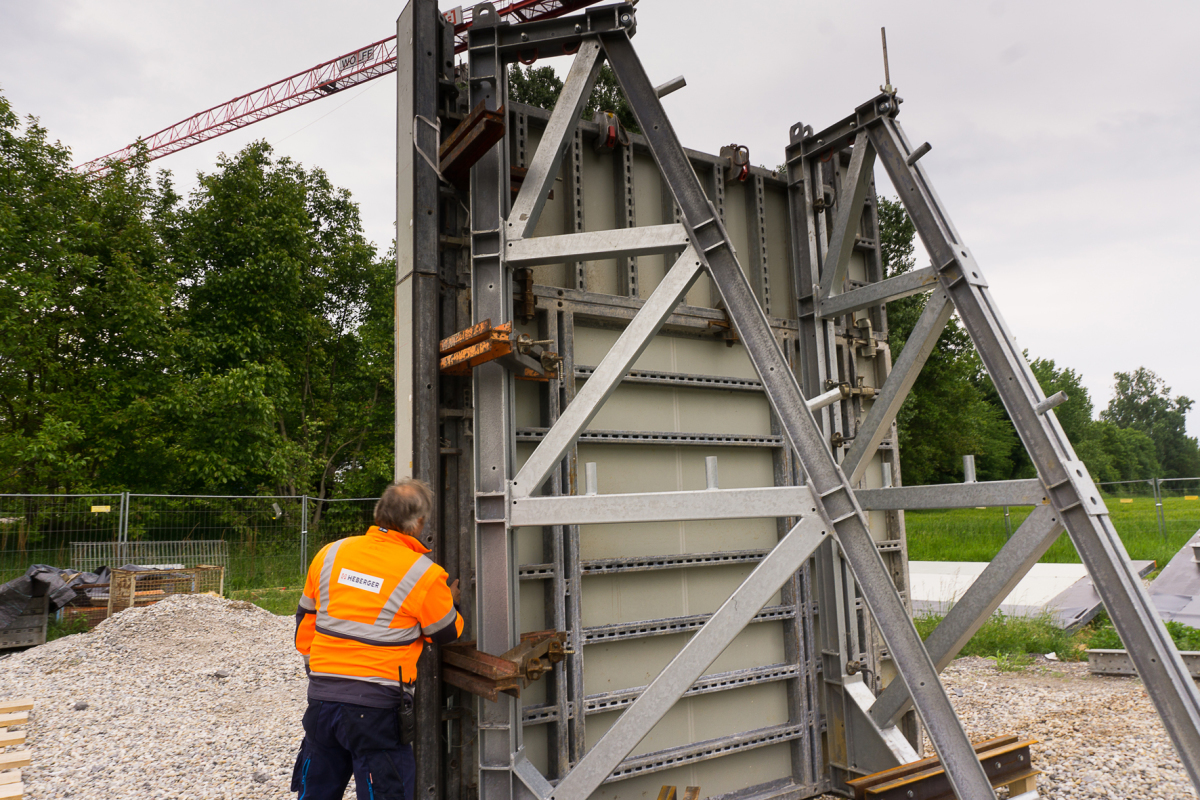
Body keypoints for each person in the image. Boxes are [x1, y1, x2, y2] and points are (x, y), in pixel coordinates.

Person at [292, 479, 464, 800]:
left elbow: (305, 621)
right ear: (419, 523)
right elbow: (446, 632)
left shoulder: (330, 554)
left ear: (379, 512)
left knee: (315, 792)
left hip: (322, 704)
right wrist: (450, 601)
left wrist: (320, 676)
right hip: (375, 714)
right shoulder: (423, 574)